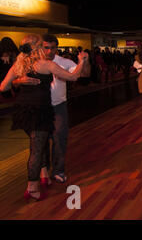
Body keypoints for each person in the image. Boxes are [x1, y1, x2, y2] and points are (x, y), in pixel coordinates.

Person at [0, 34, 87, 202]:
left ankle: (44, 174)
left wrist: (19, 81)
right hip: (40, 111)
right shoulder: (46, 65)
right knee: (37, 150)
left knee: (39, 142)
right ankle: (32, 188)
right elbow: (73, 77)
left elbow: (3, 86)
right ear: (37, 48)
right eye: (42, 46)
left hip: (22, 112)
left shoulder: (18, 65)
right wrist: (82, 61)